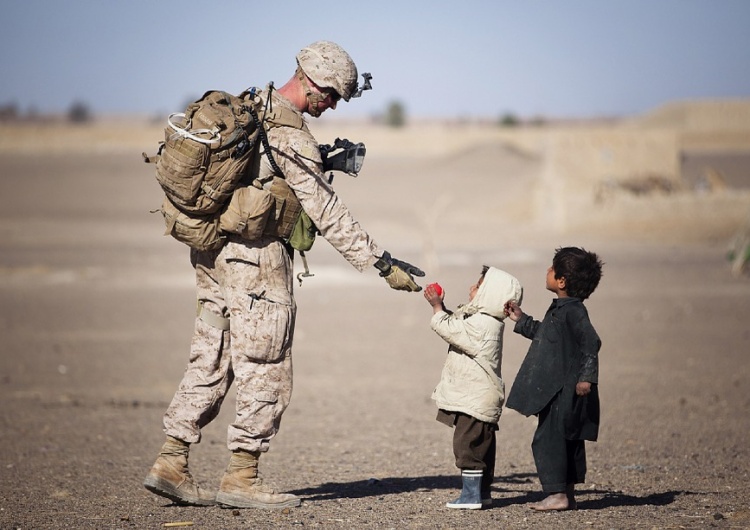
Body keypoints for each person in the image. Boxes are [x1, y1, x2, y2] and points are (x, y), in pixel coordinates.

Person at [143, 40, 425, 510]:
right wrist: (381, 262)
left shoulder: (253, 106)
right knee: (266, 364)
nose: (332, 106)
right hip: (256, 261)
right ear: (311, 81)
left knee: (211, 354)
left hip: (213, 254)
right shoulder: (290, 134)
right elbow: (327, 211)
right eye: (332, 95)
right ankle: (242, 477)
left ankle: (171, 461)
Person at [504, 247, 603, 511]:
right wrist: (521, 320)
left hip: (564, 390)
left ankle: (557, 494)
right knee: (564, 437)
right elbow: (546, 335)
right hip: (557, 389)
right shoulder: (561, 309)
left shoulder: (574, 312)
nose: (547, 271)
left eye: (552, 268)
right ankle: (566, 494)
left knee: (549, 439)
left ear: (562, 281)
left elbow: (591, 342)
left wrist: (587, 378)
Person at [423, 267, 523, 509]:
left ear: (490, 294)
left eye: (478, 286)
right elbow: (457, 324)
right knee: (482, 447)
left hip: (475, 399)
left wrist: (436, 308)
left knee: (467, 446)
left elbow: (450, 329)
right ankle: (483, 493)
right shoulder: (484, 320)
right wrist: (443, 307)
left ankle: (470, 497)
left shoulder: (483, 324)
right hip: (479, 396)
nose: (471, 288)